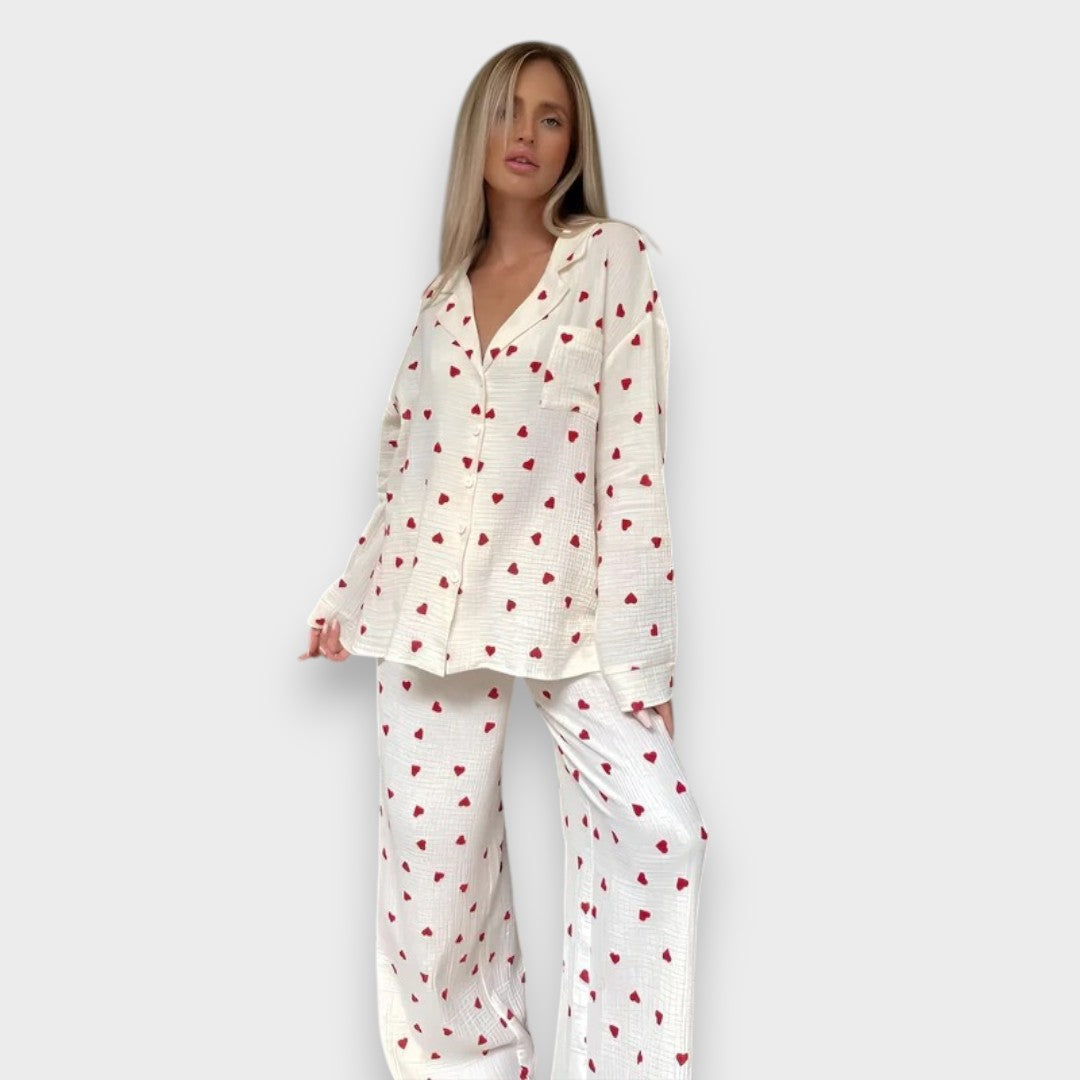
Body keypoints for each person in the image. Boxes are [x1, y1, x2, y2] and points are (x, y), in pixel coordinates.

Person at [299, 40, 709, 1079]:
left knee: (662, 833)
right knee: (432, 887)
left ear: (575, 144)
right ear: (474, 135)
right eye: (506, 112)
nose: (525, 134)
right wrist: (347, 596)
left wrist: (645, 661)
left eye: (550, 117)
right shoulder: (440, 299)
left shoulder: (611, 261)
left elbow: (634, 464)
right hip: (426, 611)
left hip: (570, 611)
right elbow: (406, 467)